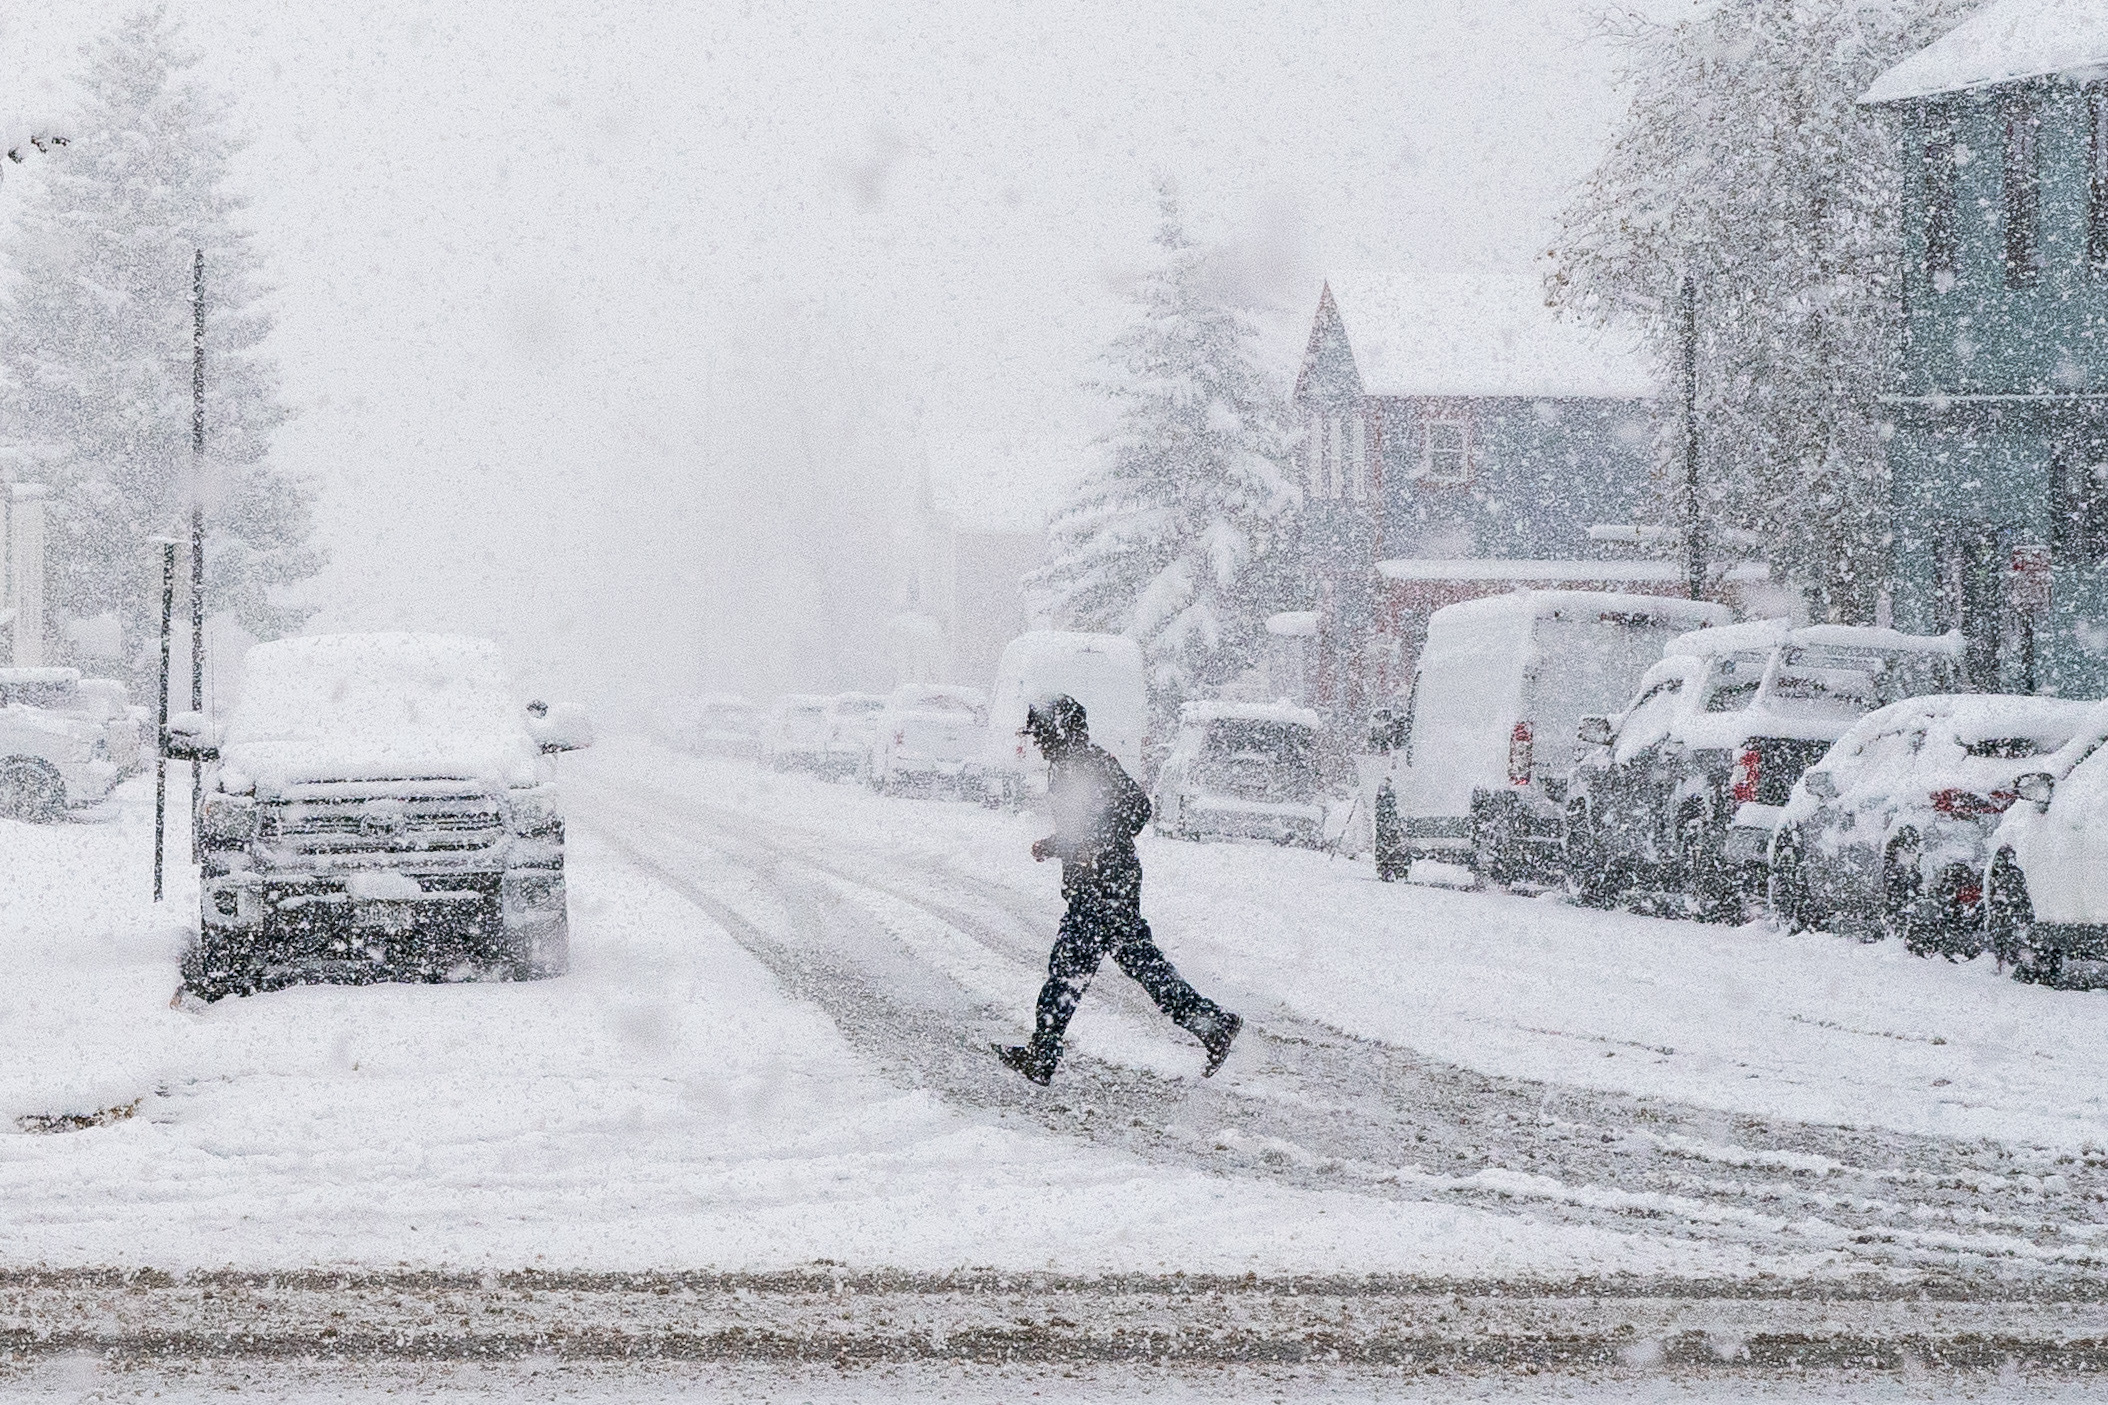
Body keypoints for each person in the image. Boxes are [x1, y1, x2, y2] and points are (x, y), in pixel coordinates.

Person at [994, 694, 1241, 1085]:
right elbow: (1088, 824)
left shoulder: (1090, 764)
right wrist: (1060, 844)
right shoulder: (1067, 766)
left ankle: (1042, 1056)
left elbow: (1138, 808)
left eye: (1040, 732)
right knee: (1137, 962)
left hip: (1105, 883)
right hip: (1101, 882)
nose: (1037, 742)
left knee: (1069, 969)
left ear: (1059, 730)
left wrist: (1096, 846)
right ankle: (1213, 1025)